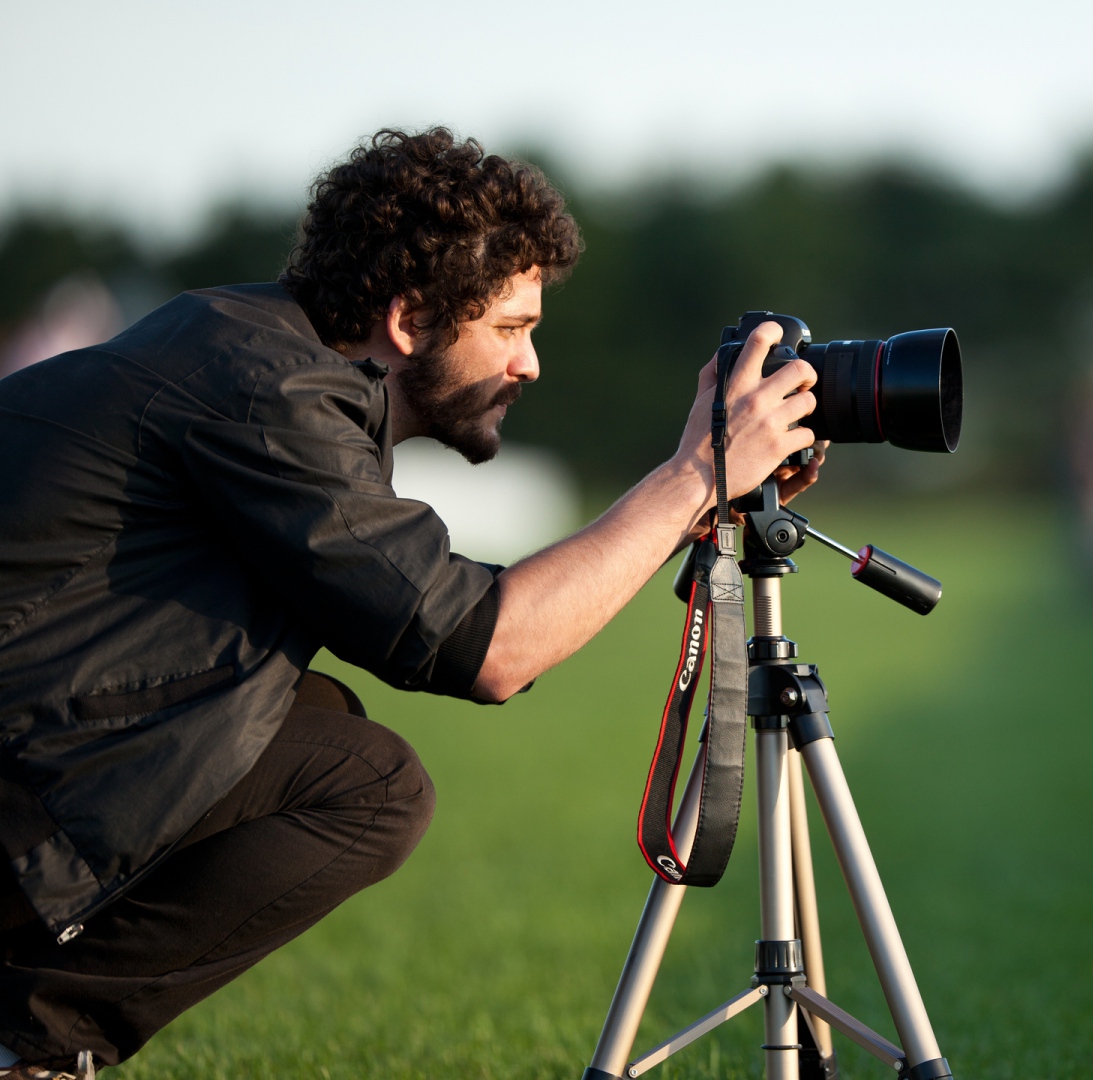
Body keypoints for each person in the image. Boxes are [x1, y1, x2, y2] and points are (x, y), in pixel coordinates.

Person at [0, 128, 823, 1078]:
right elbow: (487, 646)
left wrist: (698, 495)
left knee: (313, 729)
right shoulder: (270, 392)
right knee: (368, 788)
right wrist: (691, 476)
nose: (531, 365)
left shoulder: (251, 352)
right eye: (512, 328)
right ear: (409, 317)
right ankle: (27, 1043)